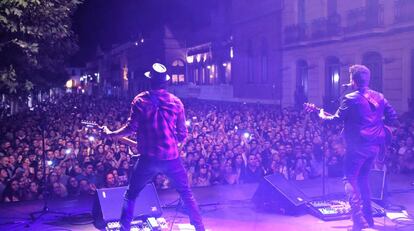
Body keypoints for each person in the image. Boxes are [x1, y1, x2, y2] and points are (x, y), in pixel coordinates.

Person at [103, 63, 205, 231]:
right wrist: (171, 143)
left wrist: (112, 134)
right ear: (166, 82)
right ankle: (199, 227)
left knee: (131, 195)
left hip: (148, 159)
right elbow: (182, 133)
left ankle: (124, 229)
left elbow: (130, 128)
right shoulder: (176, 102)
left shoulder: (140, 100)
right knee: (186, 194)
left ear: (150, 80)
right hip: (171, 158)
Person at [317, 65, 398, 230]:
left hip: (356, 148)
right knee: (363, 180)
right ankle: (368, 219)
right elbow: (393, 117)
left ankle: (358, 220)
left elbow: (336, 119)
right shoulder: (380, 97)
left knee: (349, 179)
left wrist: (321, 116)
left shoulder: (350, 98)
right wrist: (381, 132)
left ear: (353, 81)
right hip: (374, 147)